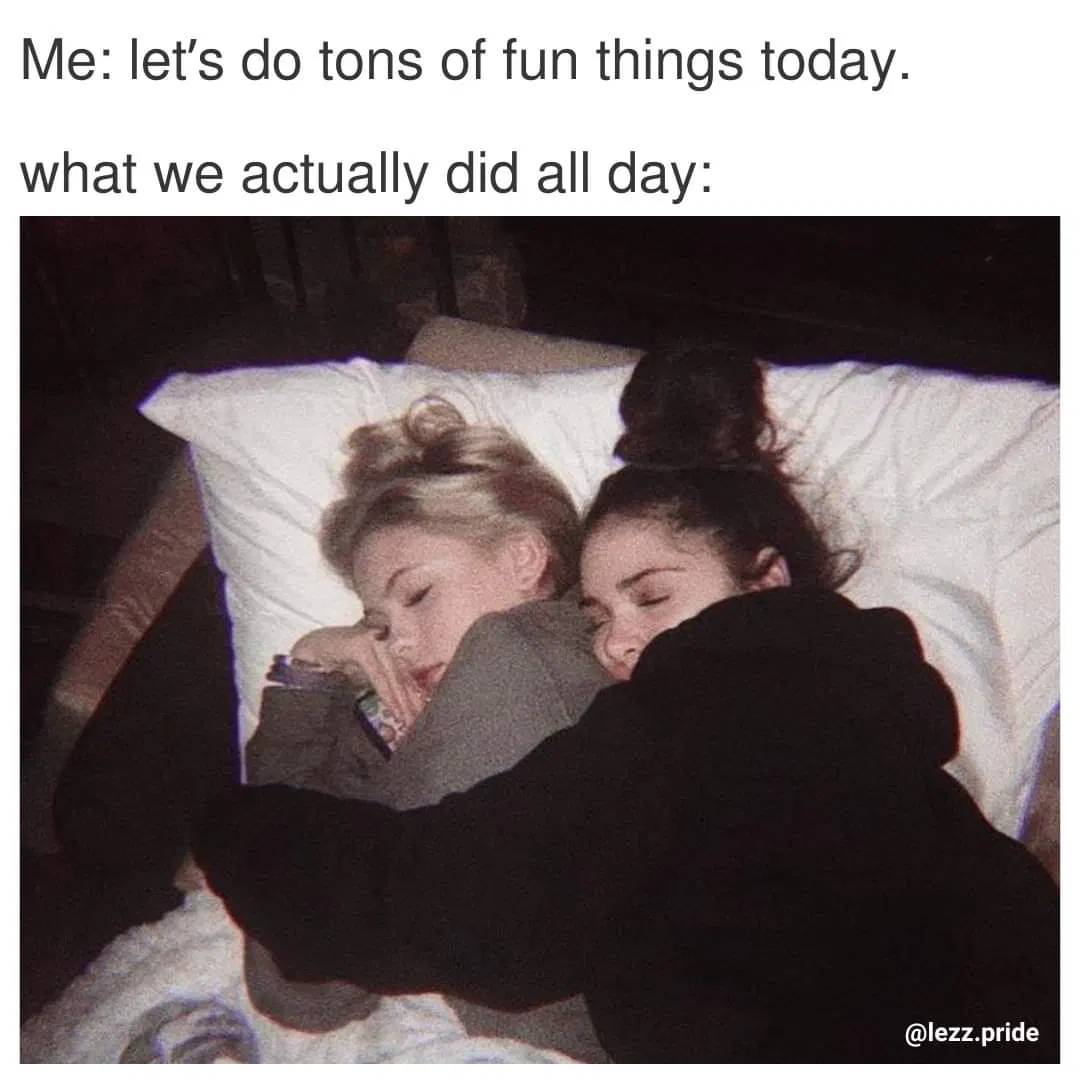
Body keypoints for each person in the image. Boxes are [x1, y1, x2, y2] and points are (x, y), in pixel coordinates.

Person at [192, 348, 1059, 1063]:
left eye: (653, 596)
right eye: (600, 615)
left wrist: (221, 820)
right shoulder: (838, 696)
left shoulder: (704, 696)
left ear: (765, 580)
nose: (616, 642)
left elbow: (463, 904)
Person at [237, 395, 613, 1060]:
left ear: (524, 559)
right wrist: (309, 670)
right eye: (376, 622)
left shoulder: (531, 657)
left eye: (417, 594)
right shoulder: (392, 714)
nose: (399, 641)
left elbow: (302, 964)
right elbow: (292, 962)